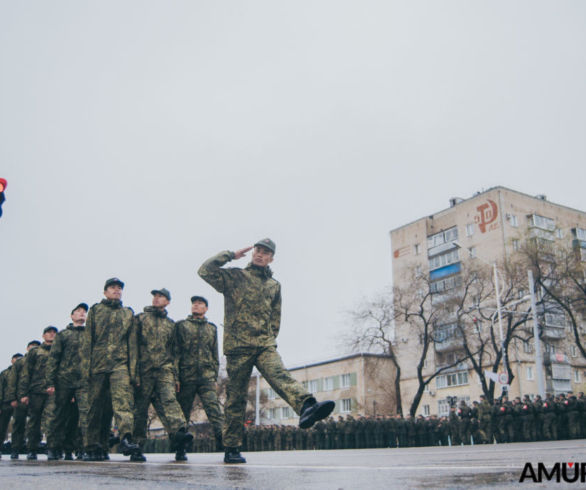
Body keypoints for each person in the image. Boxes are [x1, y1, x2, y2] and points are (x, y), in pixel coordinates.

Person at [198, 238, 334, 464]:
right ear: (253, 254)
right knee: (236, 398)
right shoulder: (234, 277)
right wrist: (231, 255)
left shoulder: (274, 286)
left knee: (279, 374)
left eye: (265, 252)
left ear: (272, 258)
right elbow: (204, 271)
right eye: (258, 251)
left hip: (263, 344)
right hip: (238, 347)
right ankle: (231, 447)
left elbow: (275, 316)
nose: (260, 254)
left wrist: (270, 339)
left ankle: (307, 406)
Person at [81, 277, 143, 461]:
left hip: (120, 364)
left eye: (119, 288)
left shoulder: (127, 313)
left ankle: (126, 437)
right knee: (95, 407)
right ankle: (92, 445)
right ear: (105, 291)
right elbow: (87, 341)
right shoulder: (96, 310)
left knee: (123, 402)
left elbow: (132, 344)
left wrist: (133, 373)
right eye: (112, 287)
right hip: (97, 365)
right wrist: (86, 370)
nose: (116, 290)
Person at [132, 288, 192, 462]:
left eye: (161, 297)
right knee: (140, 410)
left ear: (168, 302)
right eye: (155, 296)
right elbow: (133, 347)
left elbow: (175, 353)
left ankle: (180, 435)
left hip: (164, 370)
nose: (157, 299)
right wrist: (133, 373)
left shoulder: (171, 325)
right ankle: (137, 447)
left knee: (170, 400)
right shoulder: (140, 319)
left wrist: (176, 376)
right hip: (144, 371)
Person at [176, 295, 224, 454]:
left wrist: (215, 377)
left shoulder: (212, 328)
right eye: (194, 304)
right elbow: (176, 353)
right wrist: (176, 377)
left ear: (206, 308)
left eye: (200, 303)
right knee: (182, 412)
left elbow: (215, 354)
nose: (196, 306)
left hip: (206, 377)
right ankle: (180, 448)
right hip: (186, 376)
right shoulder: (182, 326)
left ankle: (224, 444)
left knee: (214, 410)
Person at [45, 303, 89, 460]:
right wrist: (50, 382)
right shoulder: (63, 335)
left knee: (84, 415)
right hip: (64, 380)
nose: (82, 314)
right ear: (72, 316)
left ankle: (83, 448)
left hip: (84, 381)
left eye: (84, 312)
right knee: (59, 415)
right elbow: (53, 358)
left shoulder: (89, 334)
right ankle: (54, 447)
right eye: (78, 312)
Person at [20, 326, 58, 460]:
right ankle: (32, 449)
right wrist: (23, 394)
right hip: (36, 391)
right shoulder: (35, 352)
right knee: (34, 421)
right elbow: (26, 373)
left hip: (52, 392)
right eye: (49, 333)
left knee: (52, 419)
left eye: (54, 333)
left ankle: (52, 448)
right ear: (43, 336)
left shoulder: (59, 350)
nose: (52, 335)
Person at [6, 341, 39, 459]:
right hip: (20, 398)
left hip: (36, 397)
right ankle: (15, 449)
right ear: (27, 349)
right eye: (31, 348)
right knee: (18, 424)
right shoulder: (20, 363)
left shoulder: (40, 361)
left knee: (35, 424)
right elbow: (12, 381)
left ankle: (32, 449)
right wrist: (12, 398)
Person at [0, 354, 22, 457]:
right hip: (5, 403)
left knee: (18, 425)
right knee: (2, 427)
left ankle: (15, 449)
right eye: (15, 359)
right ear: (11, 360)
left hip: (20, 403)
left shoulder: (24, 373)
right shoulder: (5, 373)